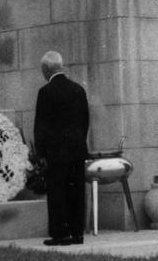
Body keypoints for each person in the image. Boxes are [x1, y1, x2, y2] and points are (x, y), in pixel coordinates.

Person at [34, 51, 90, 246]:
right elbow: (85, 121)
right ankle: (77, 233)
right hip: (76, 150)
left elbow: (41, 126)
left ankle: (60, 234)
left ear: (46, 69)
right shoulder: (78, 90)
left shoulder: (45, 92)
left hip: (55, 153)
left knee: (57, 193)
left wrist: (40, 154)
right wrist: (79, 143)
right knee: (76, 192)